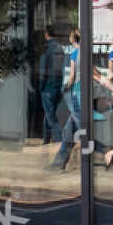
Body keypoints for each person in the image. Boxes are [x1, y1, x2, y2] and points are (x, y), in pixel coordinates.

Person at [50, 30, 82, 169]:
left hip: (73, 90)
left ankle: (102, 149)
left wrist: (66, 88)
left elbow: (71, 75)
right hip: (78, 90)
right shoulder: (82, 53)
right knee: (74, 122)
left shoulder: (74, 53)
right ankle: (60, 160)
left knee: (77, 121)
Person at [38, 26, 65, 151]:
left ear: (46, 34)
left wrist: (40, 87)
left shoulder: (46, 49)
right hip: (57, 87)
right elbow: (62, 69)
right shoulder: (60, 48)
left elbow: (43, 70)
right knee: (47, 117)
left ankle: (61, 146)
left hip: (47, 88)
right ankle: (45, 143)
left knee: (52, 118)